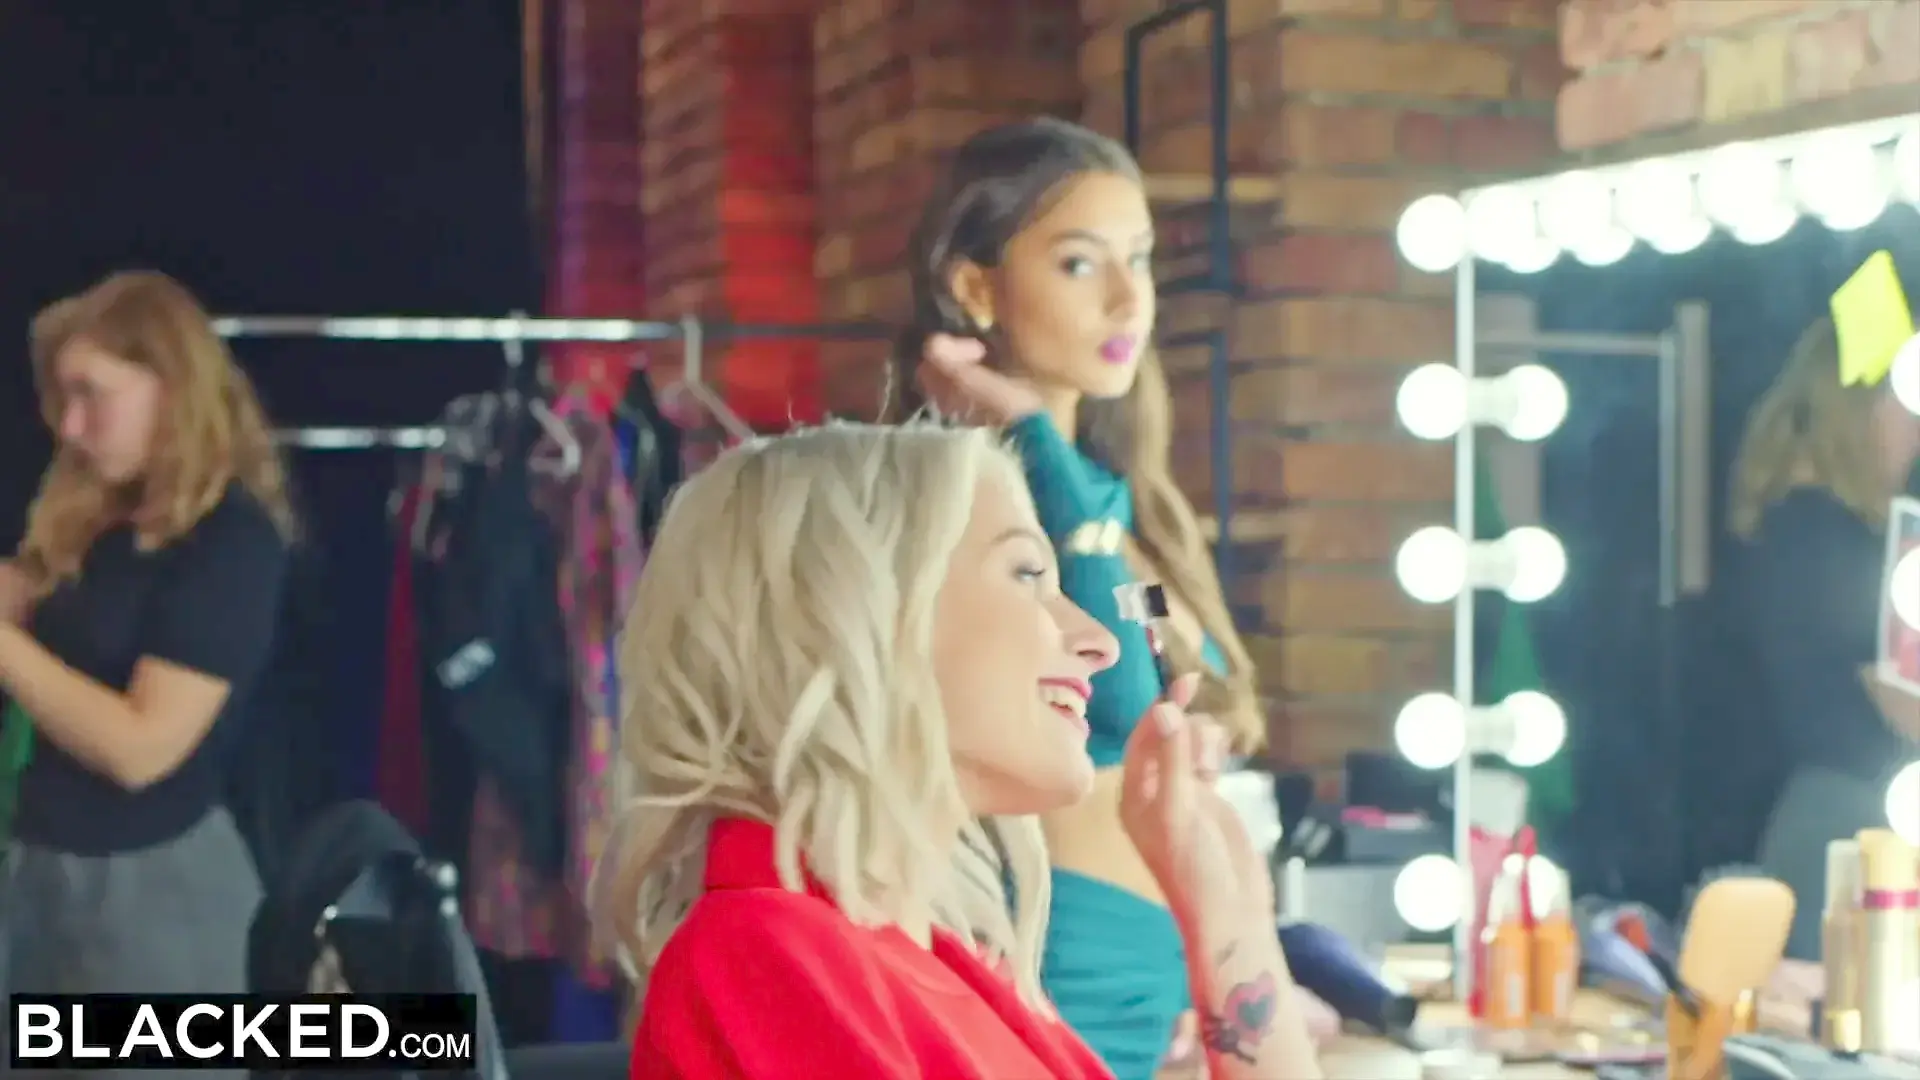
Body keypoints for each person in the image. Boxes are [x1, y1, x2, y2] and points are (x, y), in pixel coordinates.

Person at [597, 423, 1321, 1079]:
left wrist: (1226, 914)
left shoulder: (956, 970)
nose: (1099, 642)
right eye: (1027, 575)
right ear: (862, 610)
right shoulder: (764, 954)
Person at [891, 116, 1282, 1076]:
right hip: (1056, 956)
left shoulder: (1114, 509)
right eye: (1079, 264)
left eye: (1139, 260)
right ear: (976, 287)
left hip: (1158, 965)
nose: (1126, 300)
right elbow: (1118, 682)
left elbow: (1160, 657)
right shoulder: (964, 512)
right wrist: (1028, 430)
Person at [0, 272, 293, 1029]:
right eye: (61, 399)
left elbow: (140, 750)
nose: (69, 426)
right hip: (42, 880)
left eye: (91, 395)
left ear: (171, 387)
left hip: (153, 903)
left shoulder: (231, 543)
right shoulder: (101, 519)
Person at [1730, 315, 1920, 960]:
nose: (1917, 431)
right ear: (1858, 409)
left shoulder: (1794, 525)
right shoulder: (1833, 541)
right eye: (1907, 405)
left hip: (1827, 811)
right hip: (1856, 819)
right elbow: (1900, 696)